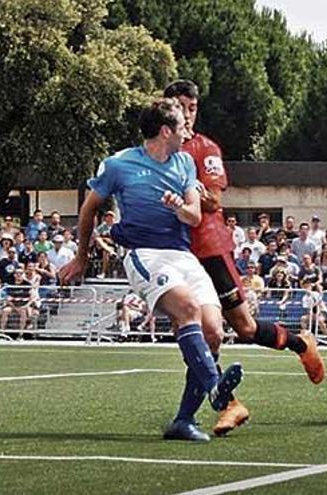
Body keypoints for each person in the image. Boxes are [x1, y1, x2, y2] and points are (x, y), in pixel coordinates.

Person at [58, 97, 243, 443]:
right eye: (181, 123)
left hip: (182, 255)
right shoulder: (118, 165)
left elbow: (195, 215)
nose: (188, 127)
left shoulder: (185, 162)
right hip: (144, 253)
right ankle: (220, 395)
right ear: (165, 130)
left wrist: (179, 208)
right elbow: (88, 211)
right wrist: (81, 257)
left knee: (214, 331)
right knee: (186, 310)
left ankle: (183, 422)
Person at [165, 79, 323, 436]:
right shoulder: (156, 150)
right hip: (175, 251)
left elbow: (215, 201)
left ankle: (300, 344)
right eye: (180, 107)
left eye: (192, 108)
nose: (187, 114)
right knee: (204, 333)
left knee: (245, 328)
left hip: (209, 247)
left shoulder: (205, 148)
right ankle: (222, 406)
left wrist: (180, 193)